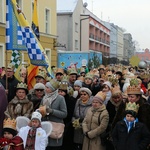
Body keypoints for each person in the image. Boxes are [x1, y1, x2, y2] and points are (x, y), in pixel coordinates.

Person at [39, 79, 67, 150]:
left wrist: (52, 111)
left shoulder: (60, 98)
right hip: (45, 127)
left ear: (52, 89)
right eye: (46, 87)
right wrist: (40, 112)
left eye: (48, 87)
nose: (46, 89)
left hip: (56, 129)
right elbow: (41, 109)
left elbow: (64, 114)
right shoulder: (44, 98)